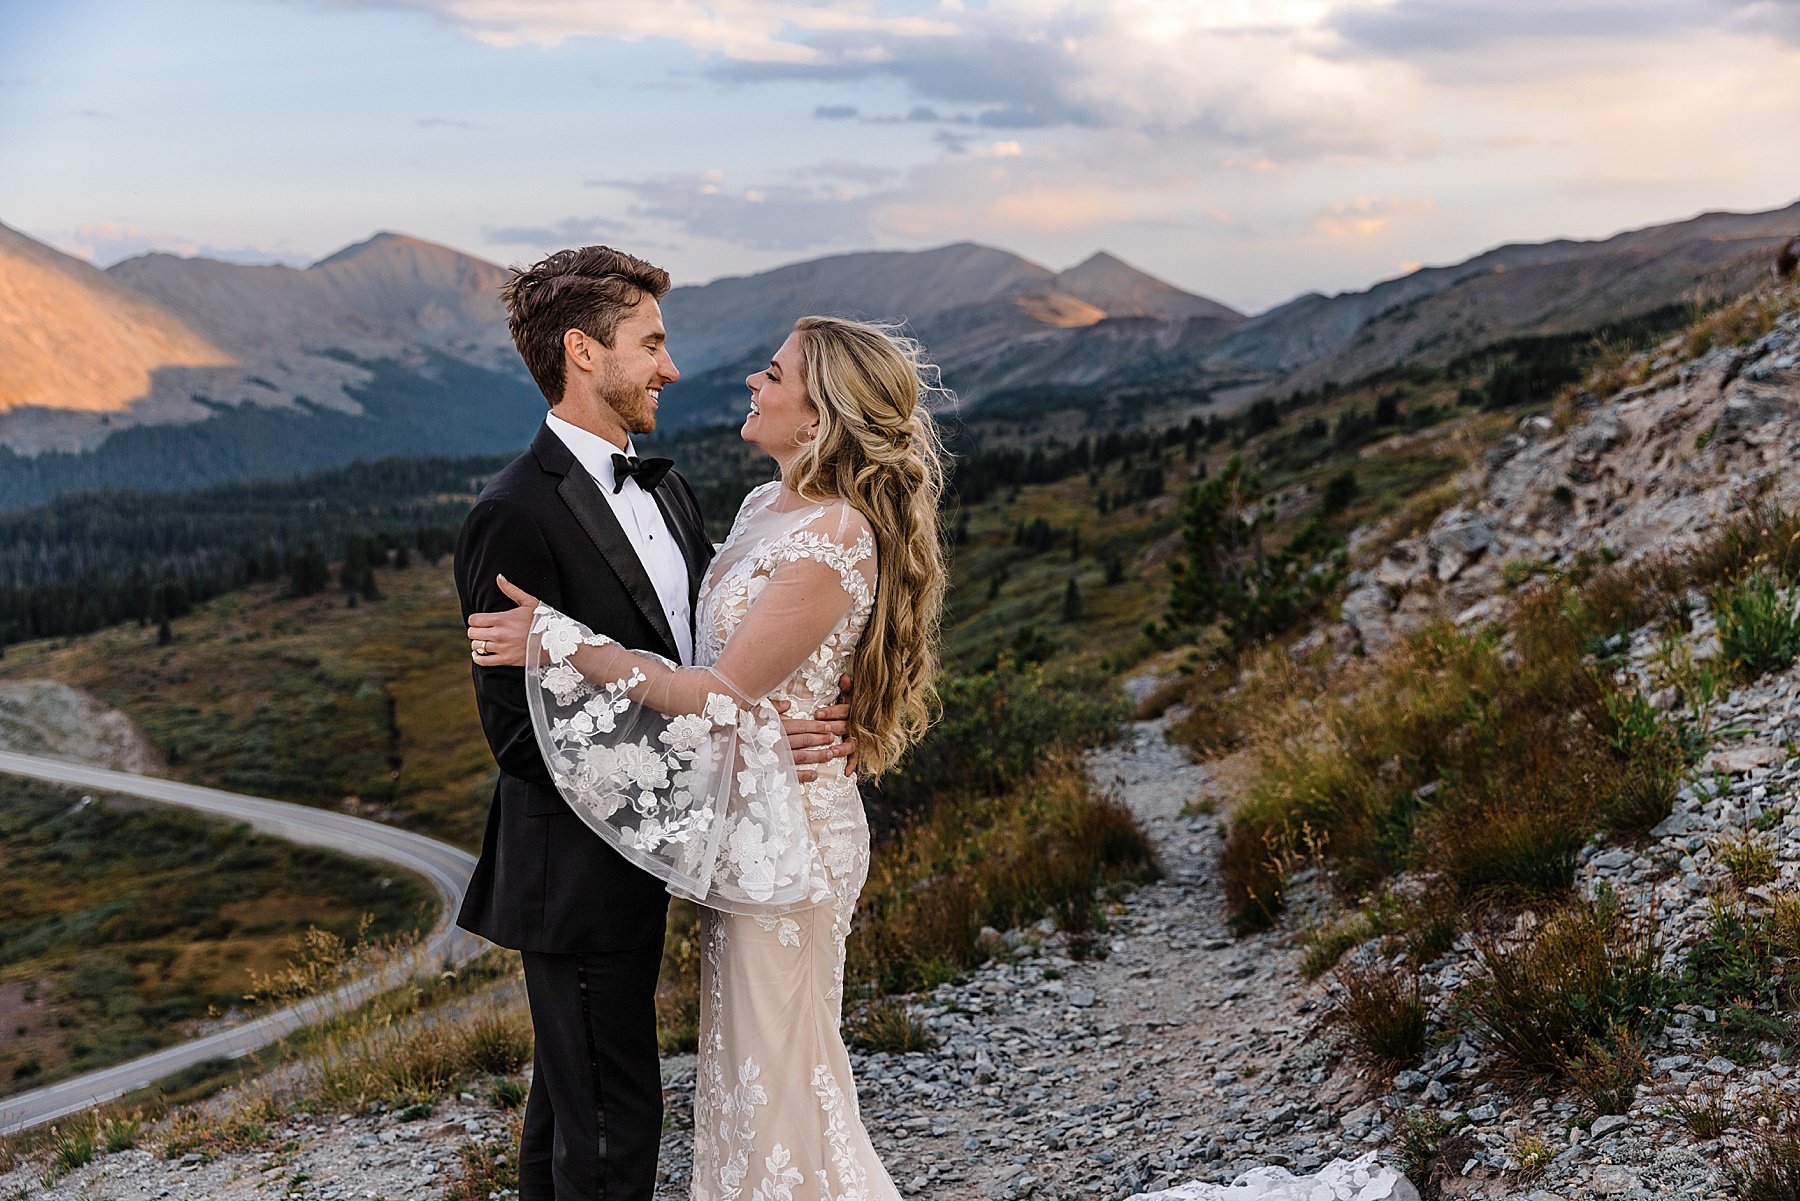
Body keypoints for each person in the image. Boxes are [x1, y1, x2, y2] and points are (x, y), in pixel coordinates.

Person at [468, 313, 946, 1200]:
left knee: (781, 1078)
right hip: (743, 827)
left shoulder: (838, 533)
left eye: (772, 374)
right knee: (734, 1078)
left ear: (820, 415)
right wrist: (767, 722)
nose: (745, 383)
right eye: (652, 343)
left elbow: (721, 689)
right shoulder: (764, 504)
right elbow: (710, 664)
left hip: (793, 833)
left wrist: (559, 640)